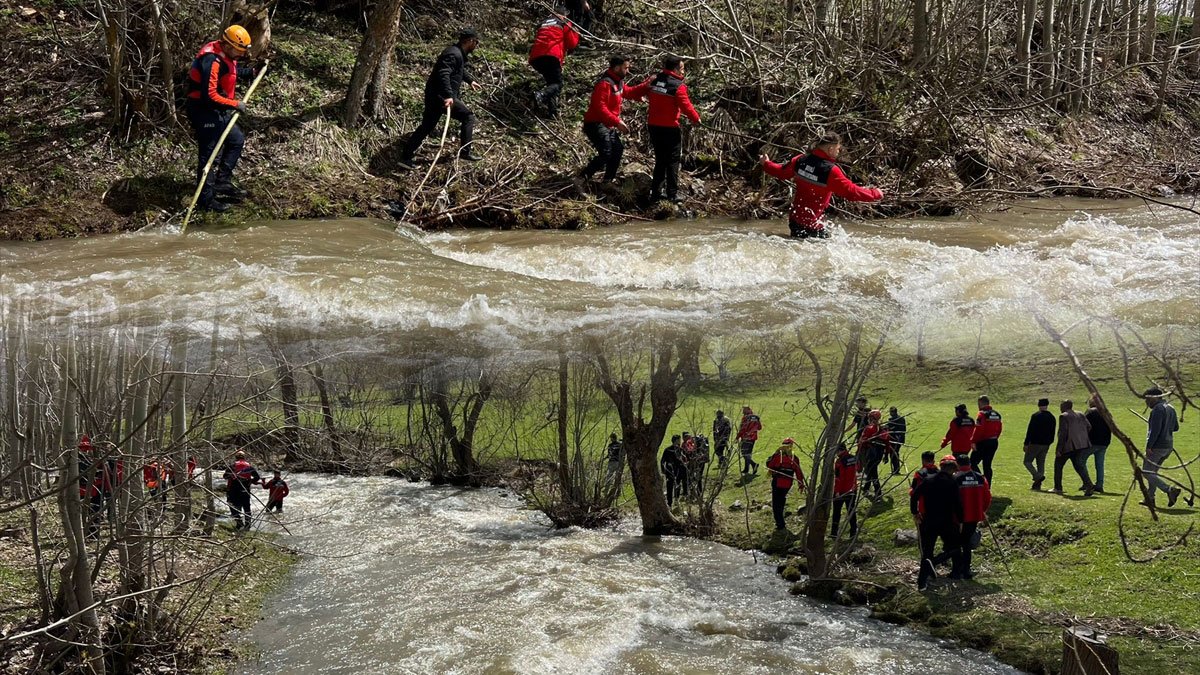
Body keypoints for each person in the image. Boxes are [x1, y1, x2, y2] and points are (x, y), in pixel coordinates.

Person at [185, 25, 258, 213]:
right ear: (227, 45)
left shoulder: (226, 55)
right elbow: (209, 95)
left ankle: (222, 183)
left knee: (236, 140)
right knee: (209, 155)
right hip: (203, 110)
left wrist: (250, 72)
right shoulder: (211, 60)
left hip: (217, 109)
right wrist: (235, 104)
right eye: (239, 51)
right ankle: (206, 200)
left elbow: (230, 72)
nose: (241, 55)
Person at [760, 132, 884, 239]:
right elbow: (850, 191)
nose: (838, 151)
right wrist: (875, 193)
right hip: (812, 226)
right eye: (837, 149)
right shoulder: (830, 171)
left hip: (795, 221)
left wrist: (766, 164)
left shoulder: (801, 160)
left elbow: (781, 171)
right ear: (830, 149)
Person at [400, 29, 484, 167]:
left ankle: (406, 157)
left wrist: (470, 81)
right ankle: (465, 152)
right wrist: (448, 95)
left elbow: (459, 70)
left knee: (427, 126)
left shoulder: (457, 53)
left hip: (435, 95)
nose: (476, 45)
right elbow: (443, 73)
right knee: (468, 117)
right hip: (441, 97)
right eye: (476, 42)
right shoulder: (453, 53)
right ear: (469, 41)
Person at [632, 55, 700, 204]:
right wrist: (696, 119)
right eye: (682, 68)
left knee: (660, 160)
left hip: (654, 126)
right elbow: (686, 105)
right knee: (673, 160)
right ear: (676, 69)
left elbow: (639, 91)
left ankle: (656, 193)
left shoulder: (655, 79)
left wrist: (638, 97)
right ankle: (672, 194)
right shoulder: (678, 85)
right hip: (670, 128)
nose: (683, 71)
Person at [581, 55, 645, 183]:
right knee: (606, 152)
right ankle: (581, 178)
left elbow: (628, 92)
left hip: (607, 124)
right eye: (625, 68)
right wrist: (617, 122)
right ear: (616, 68)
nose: (628, 71)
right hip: (595, 123)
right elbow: (600, 107)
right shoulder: (605, 84)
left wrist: (647, 85)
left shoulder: (618, 81)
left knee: (617, 149)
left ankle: (607, 181)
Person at [910, 455, 963, 591]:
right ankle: (935, 563)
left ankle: (922, 583)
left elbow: (914, 495)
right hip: (946, 521)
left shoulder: (928, 480)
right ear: (953, 469)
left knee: (927, 551)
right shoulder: (952, 483)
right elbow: (957, 504)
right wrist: (961, 520)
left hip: (928, 520)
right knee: (954, 548)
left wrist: (915, 512)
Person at [529, 9, 579, 115]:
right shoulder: (564, 22)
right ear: (565, 14)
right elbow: (572, 43)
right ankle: (540, 95)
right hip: (551, 55)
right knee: (558, 84)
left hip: (536, 57)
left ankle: (552, 112)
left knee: (552, 83)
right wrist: (576, 32)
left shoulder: (545, 21)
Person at [951, 454, 991, 580]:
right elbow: (987, 497)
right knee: (966, 543)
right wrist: (982, 511)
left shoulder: (955, 478)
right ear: (969, 463)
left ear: (957, 464)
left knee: (955, 543)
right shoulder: (980, 477)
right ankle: (966, 570)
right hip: (974, 516)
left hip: (958, 518)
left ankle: (956, 571)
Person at [1143, 387, 1182, 507]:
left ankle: (1169, 490)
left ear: (1155, 397)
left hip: (1157, 446)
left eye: (1148, 399)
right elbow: (1176, 427)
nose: (1146, 402)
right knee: (1152, 472)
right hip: (1168, 446)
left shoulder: (1158, 409)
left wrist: (1149, 446)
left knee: (1146, 472)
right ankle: (1150, 498)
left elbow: (1155, 430)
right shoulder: (1170, 407)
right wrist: (1167, 426)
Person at [1053, 400, 1095, 497]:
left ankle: (1058, 488)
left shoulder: (1064, 416)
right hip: (1081, 445)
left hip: (1069, 446)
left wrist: (1059, 449)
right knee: (1078, 466)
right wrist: (1080, 436)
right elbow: (1089, 426)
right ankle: (1089, 484)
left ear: (1064, 406)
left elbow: (1062, 434)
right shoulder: (1080, 414)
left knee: (1058, 465)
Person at [765, 438, 805, 531]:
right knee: (782, 501)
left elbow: (770, 465)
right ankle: (781, 522)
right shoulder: (794, 458)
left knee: (776, 503)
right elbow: (798, 472)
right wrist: (801, 484)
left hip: (777, 482)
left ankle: (780, 524)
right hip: (788, 483)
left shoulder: (778, 456)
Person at [1022, 398, 1056, 491]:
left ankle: (1037, 476)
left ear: (1038, 405)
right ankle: (1038, 484)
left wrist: (1026, 443)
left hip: (1035, 443)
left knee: (1027, 462)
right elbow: (1053, 432)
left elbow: (1030, 430)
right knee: (1041, 463)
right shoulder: (1052, 417)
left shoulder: (1036, 416)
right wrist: (1050, 442)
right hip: (1046, 444)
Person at [223, 450, 262, 530]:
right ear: (244, 458)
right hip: (245, 489)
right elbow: (257, 477)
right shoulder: (249, 466)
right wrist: (250, 482)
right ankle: (247, 526)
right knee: (246, 507)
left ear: (236, 458)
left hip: (233, 490)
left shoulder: (232, 465)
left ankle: (239, 522)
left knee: (232, 505)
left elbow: (225, 476)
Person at [857, 410, 890, 502]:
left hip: (870, 454)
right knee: (871, 471)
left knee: (873, 473)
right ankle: (866, 488)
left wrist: (859, 452)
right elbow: (887, 443)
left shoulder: (868, 428)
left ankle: (878, 493)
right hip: (879, 455)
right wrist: (886, 455)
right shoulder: (883, 429)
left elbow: (862, 441)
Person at [830, 443, 860, 537]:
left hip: (842, 491)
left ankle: (834, 532)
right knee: (851, 511)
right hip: (853, 489)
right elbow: (858, 469)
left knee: (836, 512)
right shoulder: (853, 458)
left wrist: (837, 491)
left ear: (840, 450)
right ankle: (853, 531)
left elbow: (839, 478)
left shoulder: (839, 462)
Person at [971, 395, 1002, 485]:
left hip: (983, 442)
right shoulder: (997, 414)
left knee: (972, 462)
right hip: (993, 441)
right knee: (987, 465)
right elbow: (999, 429)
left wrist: (973, 441)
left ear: (980, 403)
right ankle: (988, 487)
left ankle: (981, 481)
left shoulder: (982, 414)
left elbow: (979, 429)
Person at [1084, 395, 1111, 493]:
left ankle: (1086, 482)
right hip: (1104, 442)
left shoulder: (1090, 412)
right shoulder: (1106, 412)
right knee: (1099, 464)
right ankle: (1099, 485)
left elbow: (1085, 426)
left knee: (1080, 461)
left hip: (1092, 441)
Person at [661, 435, 688, 507]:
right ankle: (670, 503)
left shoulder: (680, 450)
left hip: (678, 471)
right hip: (670, 472)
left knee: (677, 486)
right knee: (670, 487)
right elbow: (663, 461)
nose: (680, 441)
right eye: (679, 440)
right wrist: (664, 471)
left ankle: (676, 500)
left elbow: (683, 461)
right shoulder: (668, 450)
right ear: (676, 440)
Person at [736, 406, 762, 475]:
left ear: (747, 410)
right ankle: (746, 469)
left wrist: (737, 437)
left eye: (744, 410)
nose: (742, 411)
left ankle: (754, 465)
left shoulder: (745, 418)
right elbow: (759, 428)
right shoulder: (756, 417)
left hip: (746, 437)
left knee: (744, 453)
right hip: (753, 438)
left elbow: (743, 429)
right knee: (748, 454)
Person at [885, 406, 906, 476]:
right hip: (899, 439)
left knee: (894, 454)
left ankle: (896, 470)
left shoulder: (893, 420)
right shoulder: (902, 419)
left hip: (895, 439)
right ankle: (895, 469)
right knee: (894, 454)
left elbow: (889, 427)